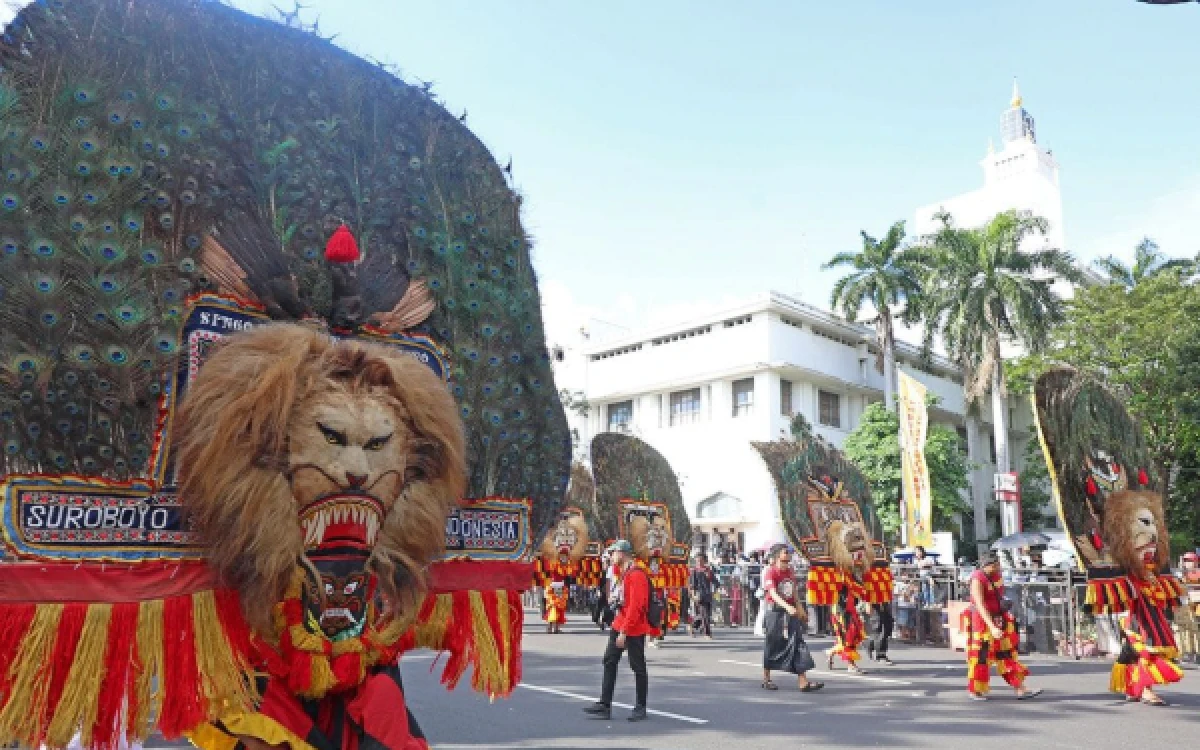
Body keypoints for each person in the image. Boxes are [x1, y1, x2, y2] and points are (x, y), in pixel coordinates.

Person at [585, 540, 657, 722]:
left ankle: (641, 706)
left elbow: (636, 606)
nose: (610, 556)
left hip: (633, 627)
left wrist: (624, 631)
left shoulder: (636, 575)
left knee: (638, 667)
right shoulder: (623, 573)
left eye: (613, 552)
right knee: (609, 660)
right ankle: (605, 704)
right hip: (620, 623)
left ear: (622, 553)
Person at [965, 551, 1041, 701]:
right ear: (988, 565)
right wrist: (991, 627)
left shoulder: (997, 576)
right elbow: (979, 605)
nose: (999, 567)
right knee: (981, 656)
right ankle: (976, 690)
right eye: (996, 565)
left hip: (1000, 618)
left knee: (1006, 653)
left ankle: (1020, 688)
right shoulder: (977, 578)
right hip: (982, 622)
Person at [760, 544, 824, 693]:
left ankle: (803, 682)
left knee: (798, 644)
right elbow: (773, 594)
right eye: (784, 554)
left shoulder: (790, 571)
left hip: (791, 613)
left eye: (789, 555)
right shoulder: (771, 572)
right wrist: (786, 607)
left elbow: (794, 592)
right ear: (776, 557)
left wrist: (801, 609)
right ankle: (766, 679)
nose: (787, 557)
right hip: (775, 613)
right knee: (772, 644)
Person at [690, 553, 718, 639]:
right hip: (699, 595)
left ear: (704, 561)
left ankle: (693, 627)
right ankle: (707, 634)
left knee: (706, 615)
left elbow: (715, 581)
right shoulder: (694, 571)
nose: (699, 562)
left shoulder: (708, 570)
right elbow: (693, 584)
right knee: (705, 614)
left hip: (708, 594)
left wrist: (718, 589)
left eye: (701, 560)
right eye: (697, 560)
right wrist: (694, 595)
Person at [866, 601, 895, 666]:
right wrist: (868, 604)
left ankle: (871, 645)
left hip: (885, 605)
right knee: (879, 629)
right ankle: (880, 656)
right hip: (875, 605)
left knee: (887, 627)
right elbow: (868, 591)